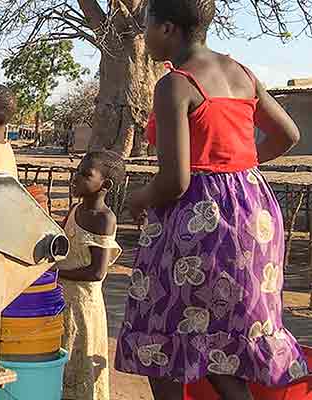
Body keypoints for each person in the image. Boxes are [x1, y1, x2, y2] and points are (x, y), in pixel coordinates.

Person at [114, 0, 305, 398]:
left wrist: (139, 198)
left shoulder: (176, 84)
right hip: (253, 216)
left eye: (147, 23)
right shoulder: (242, 73)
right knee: (224, 345)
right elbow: (288, 134)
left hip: (197, 222)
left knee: (160, 334)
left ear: (167, 29)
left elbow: (175, 181)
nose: (144, 33)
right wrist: (238, 166)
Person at [55, 150, 125, 400]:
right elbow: (63, 246)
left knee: (81, 367)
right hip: (62, 302)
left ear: (105, 185)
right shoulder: (75, 209)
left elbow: (97, 272)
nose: (76, 177)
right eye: (78, 171)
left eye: (86, 175)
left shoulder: (104, 219)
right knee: (63, 365)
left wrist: (57, 272)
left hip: (84, 308)